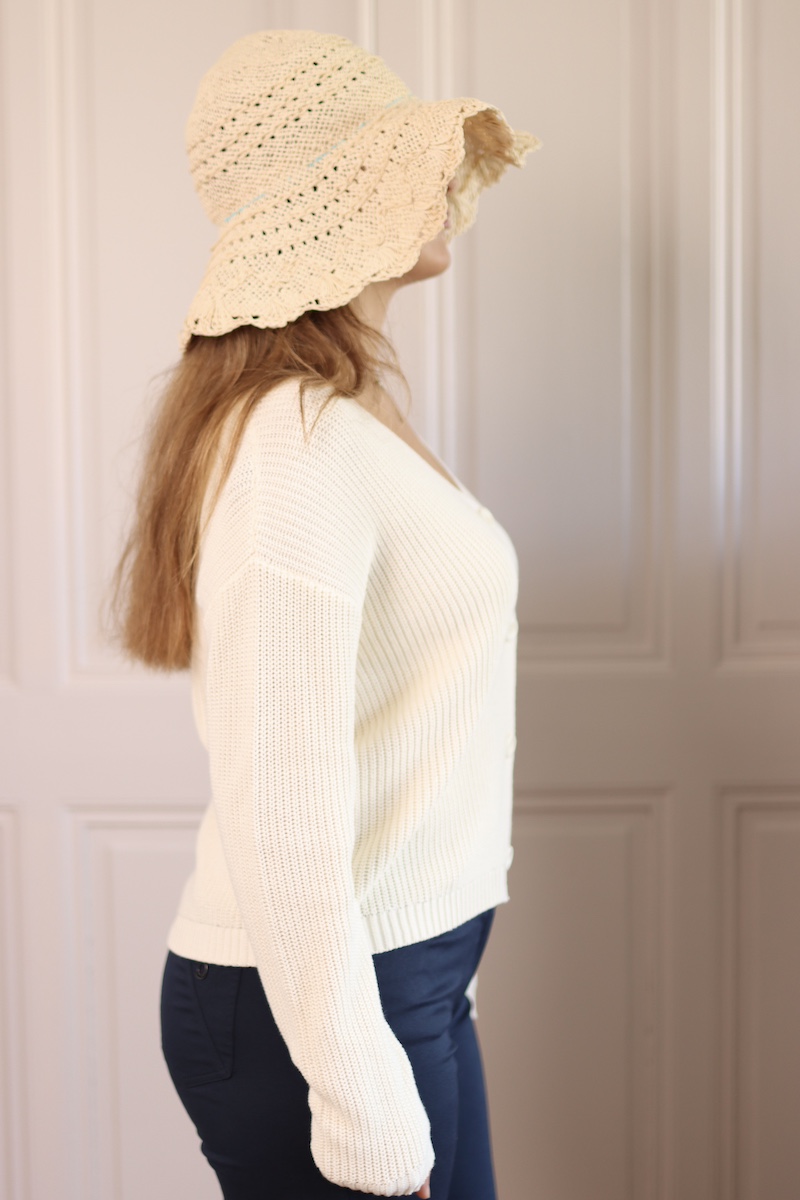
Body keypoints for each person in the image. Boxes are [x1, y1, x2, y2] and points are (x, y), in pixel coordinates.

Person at [107, 28, 539, 1200]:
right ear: (340, 204)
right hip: (322, 1017)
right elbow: (281, 813)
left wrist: (439, 967)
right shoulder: (295, 449)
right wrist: (366, 1112)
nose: (439, 181)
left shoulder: (335, 421)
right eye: (404, 162)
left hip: (396, 983)